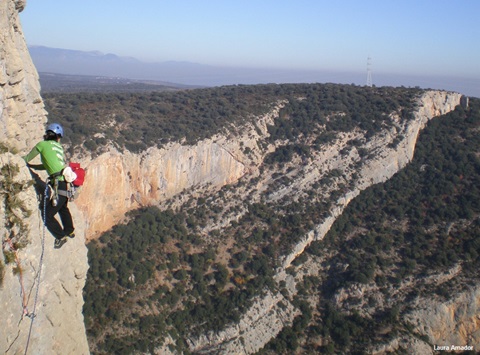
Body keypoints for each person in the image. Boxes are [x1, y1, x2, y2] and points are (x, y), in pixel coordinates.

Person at [23, 123, 75, 249]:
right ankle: (69, 230)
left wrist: (21, 162)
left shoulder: (42, 145)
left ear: (47, 134)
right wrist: (35, 167)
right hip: (66, 183)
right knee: (63, 207)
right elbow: (50, 164)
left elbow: (26, 158)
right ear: (57, 137)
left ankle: (60, 236)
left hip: (58, 183)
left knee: (47, 215)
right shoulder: (58, 147)